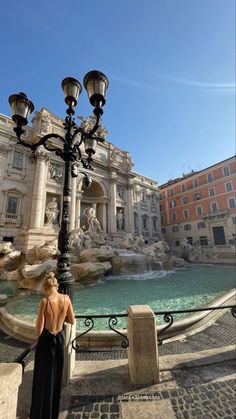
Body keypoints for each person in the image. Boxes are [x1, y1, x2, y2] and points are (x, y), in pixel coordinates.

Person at [29, 272, 75, 419]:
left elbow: (38, 330)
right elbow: (72, 320)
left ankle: (38, 414)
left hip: (46, 341)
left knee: (42, 378)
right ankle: (52, 414)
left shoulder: (44, 301)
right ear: (57, 285)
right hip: (60, 339)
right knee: (55, 377)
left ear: (46, 287)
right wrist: (62, 318)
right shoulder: (66, 298)